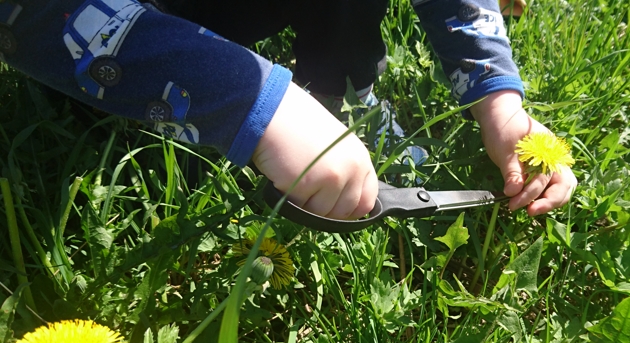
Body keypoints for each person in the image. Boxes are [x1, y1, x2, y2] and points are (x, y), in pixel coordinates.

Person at [3, 0, 575, 220]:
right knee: (127, 152)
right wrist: (250, 103)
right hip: (112, 43)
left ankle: (341, 93)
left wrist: (498, 100)